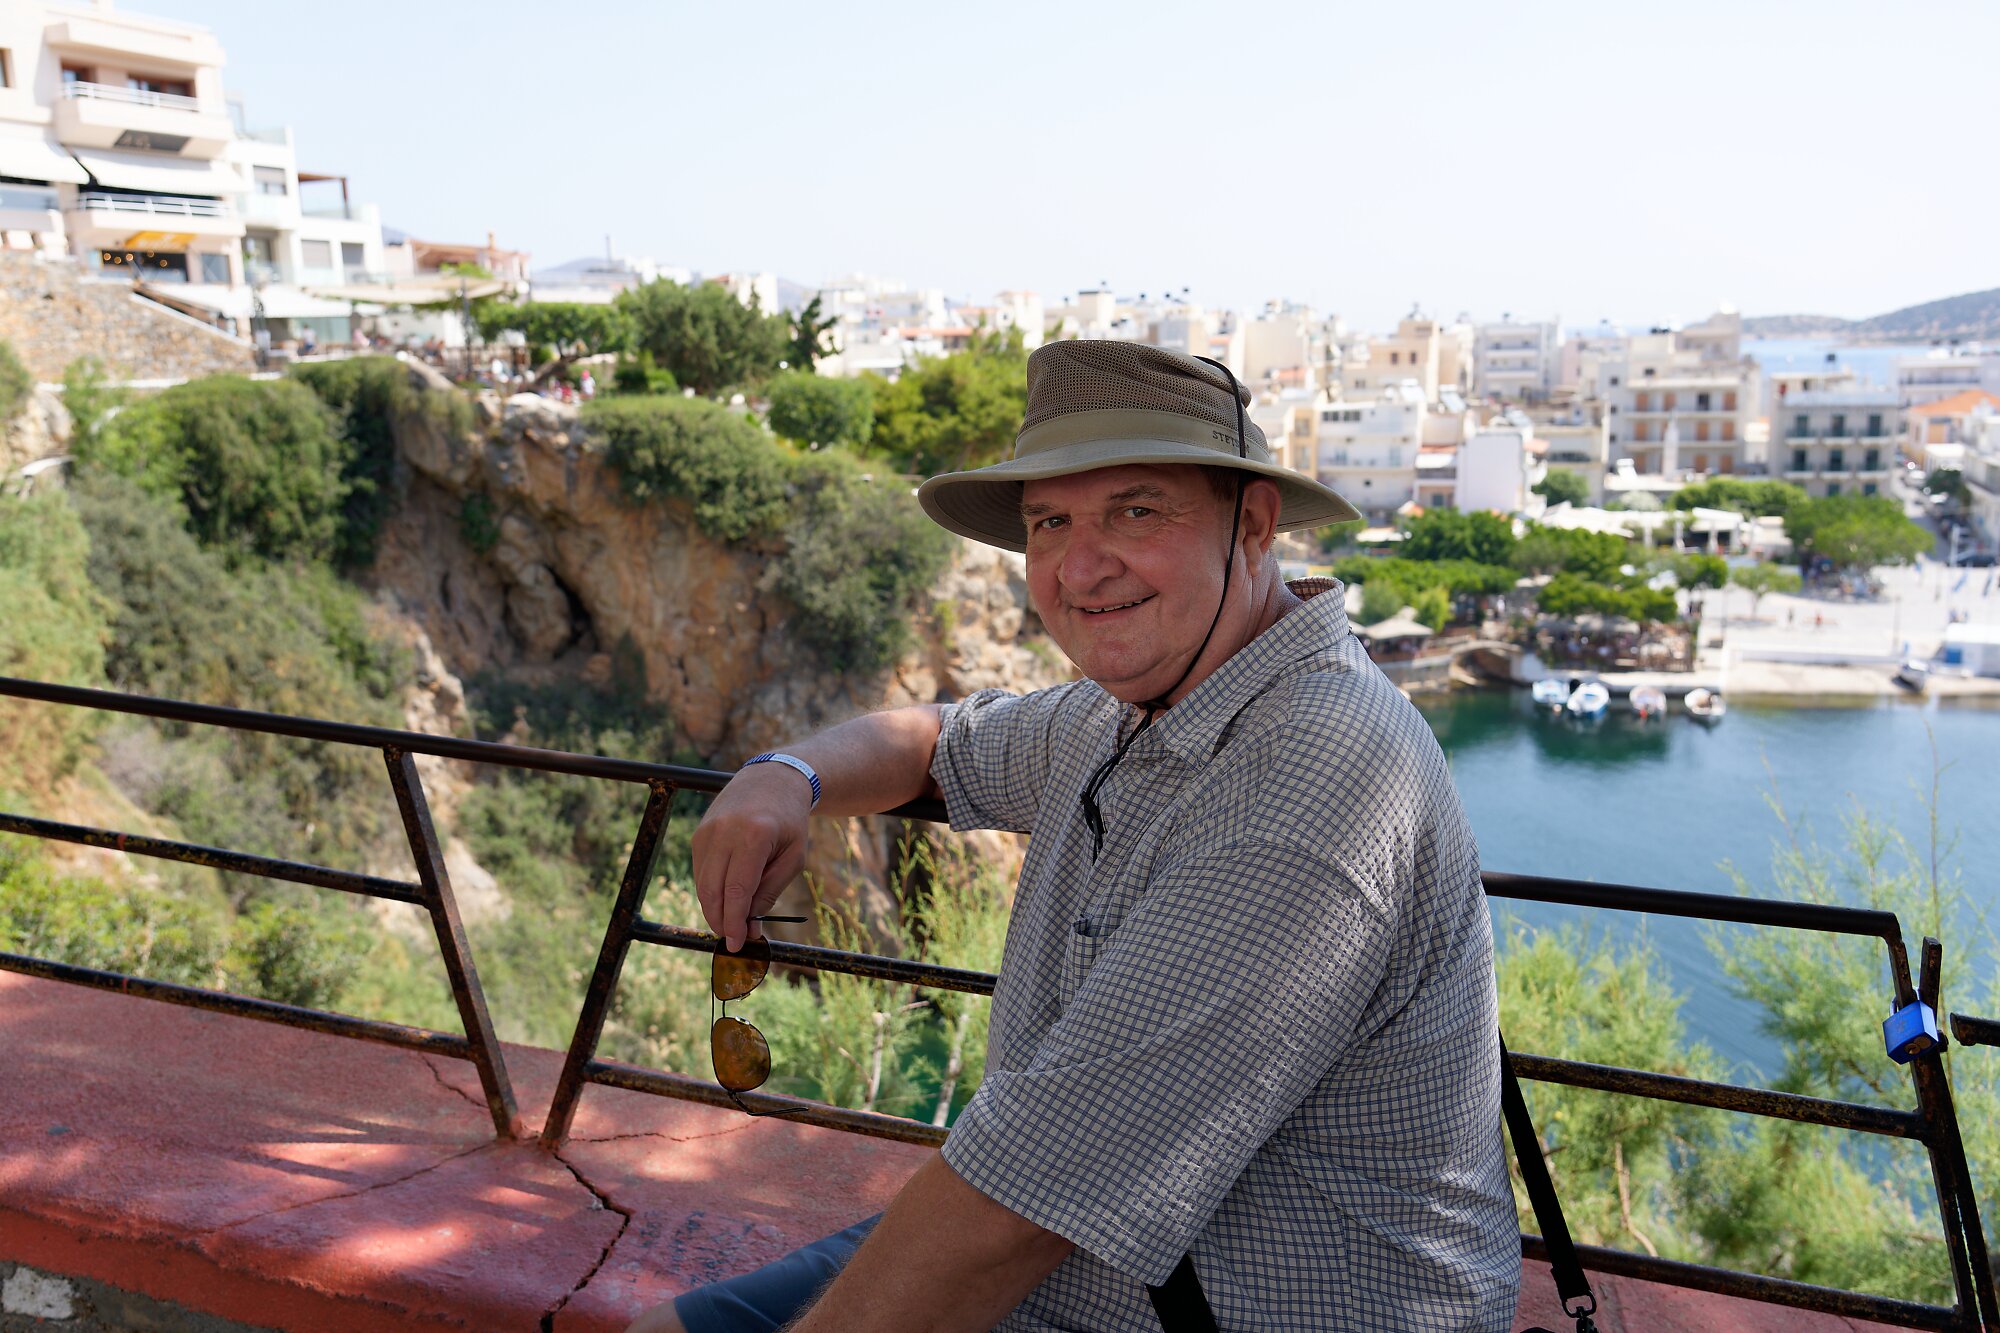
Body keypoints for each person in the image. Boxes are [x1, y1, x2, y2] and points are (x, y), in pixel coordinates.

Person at [633, 342, 1518, 1333]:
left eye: (1136, 511)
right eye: (1049, 522)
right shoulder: (1128, 710)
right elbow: (936, 742)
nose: (1080, 568)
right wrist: (784, 774)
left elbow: (1013, 1211)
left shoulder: (1313, 767)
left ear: (1253, 523)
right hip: (1072, 1268)